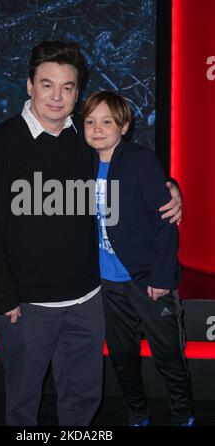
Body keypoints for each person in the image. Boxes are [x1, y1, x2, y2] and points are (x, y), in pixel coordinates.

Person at [0, 41, 182, 426]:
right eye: (47, 84)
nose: (57, 96)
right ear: (29, 85)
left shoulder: (86, 140)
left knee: (83, 402)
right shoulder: (1, 144)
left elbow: (129, 171)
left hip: (87, 300)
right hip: (27, 305)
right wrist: (2, 297)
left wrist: (170, 187)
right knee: (22, 405)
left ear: (76, 92)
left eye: (67, 87)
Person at [83, 90, 195, 426]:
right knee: (122, 357)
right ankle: (138, 413)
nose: (98, 128)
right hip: (106, 283)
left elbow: (166, 220)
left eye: (107, 121)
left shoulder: (140, 159)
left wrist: (161, 277)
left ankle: (183, 415)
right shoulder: (79, 162)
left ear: (125, 126)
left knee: (169, 355)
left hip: (147, 280)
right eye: (90, 121)